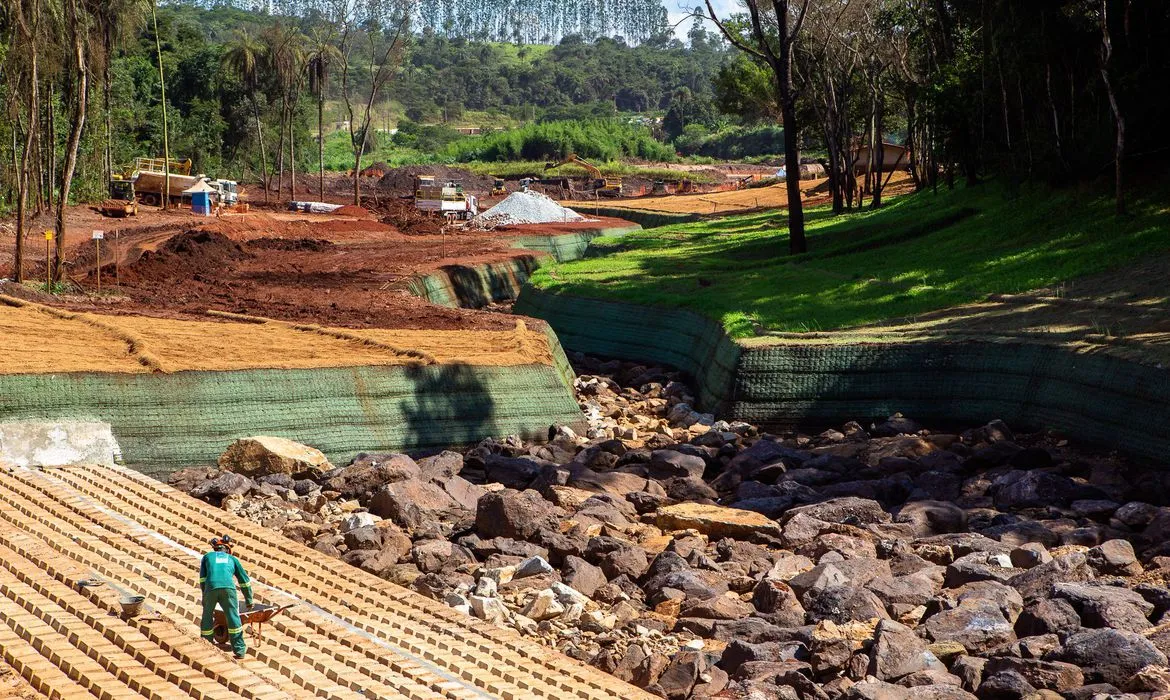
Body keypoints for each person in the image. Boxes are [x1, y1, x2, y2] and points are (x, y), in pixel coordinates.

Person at [199, 535, 253, 659]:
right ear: (227, 549)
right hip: (229, 589)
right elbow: (244, 581)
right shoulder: (232, 559)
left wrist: (205, 595)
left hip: (211, 589)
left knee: (207, 616)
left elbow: (203, 579)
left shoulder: (207, 557)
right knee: (233, 617)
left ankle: (206, 645)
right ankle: (239, 650)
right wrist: (249, 600)